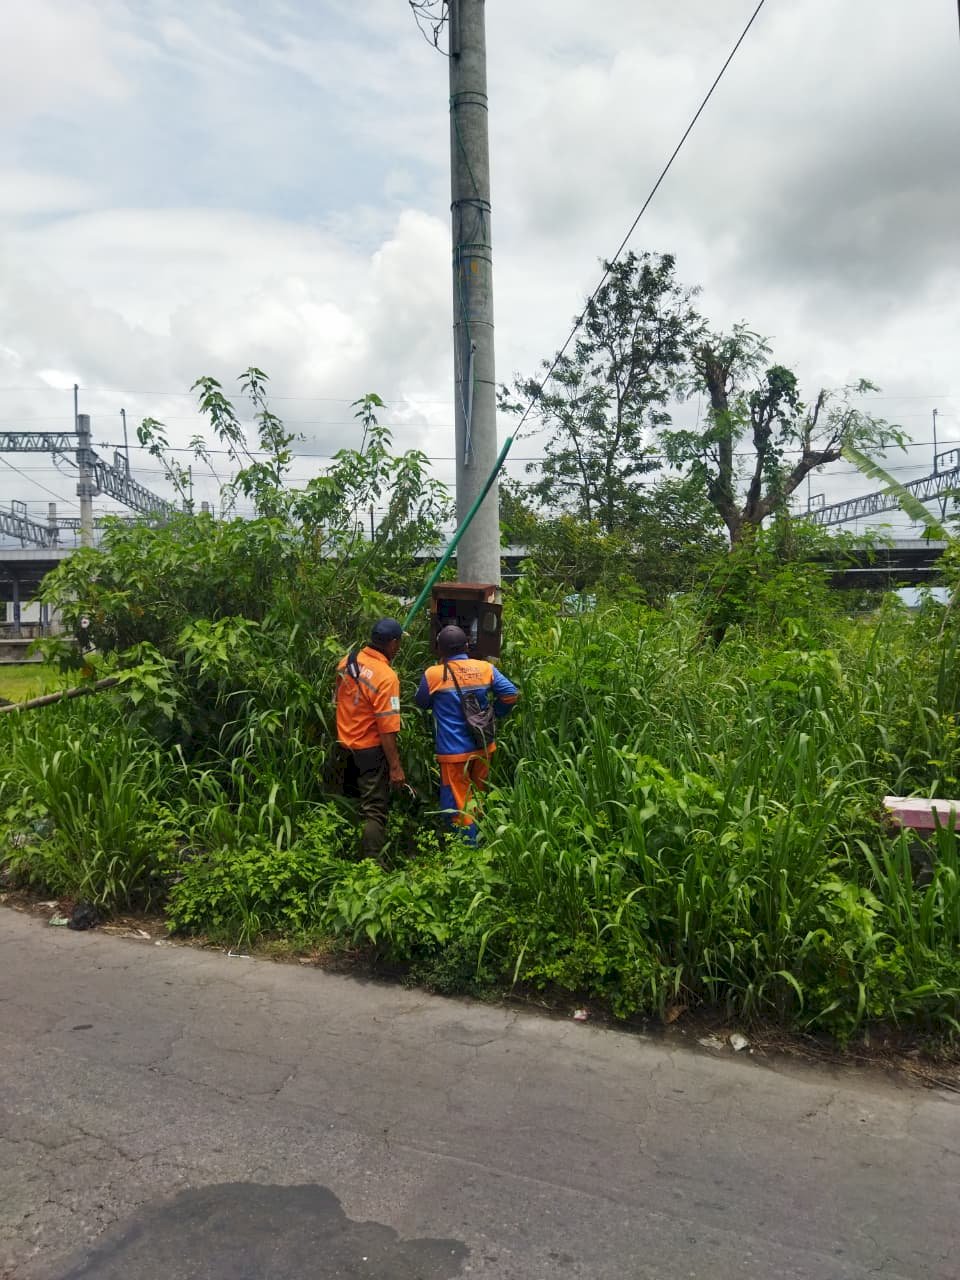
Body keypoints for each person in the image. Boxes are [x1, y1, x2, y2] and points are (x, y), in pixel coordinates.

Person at [415, 624, 519, 843]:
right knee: (479, 797)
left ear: (440, 649)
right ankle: (486, 842)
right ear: (467, 645)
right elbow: (510, 694)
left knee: (459, 804)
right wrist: (495, 714)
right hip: (483, 747)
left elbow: (421, 702)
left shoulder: (434, 674)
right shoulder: (484, 668)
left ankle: (469, 851)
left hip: (453, 753)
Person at [333, 618, 407, 861]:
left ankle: (342, 852)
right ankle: (372, 867)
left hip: (343, 745)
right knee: (374, 810)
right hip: (370, 751)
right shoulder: (386, 677)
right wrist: (395, 767)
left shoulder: (347, 662)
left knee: (351, 801)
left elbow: (338, 698)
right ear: (393, 644)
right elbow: (387, 727)